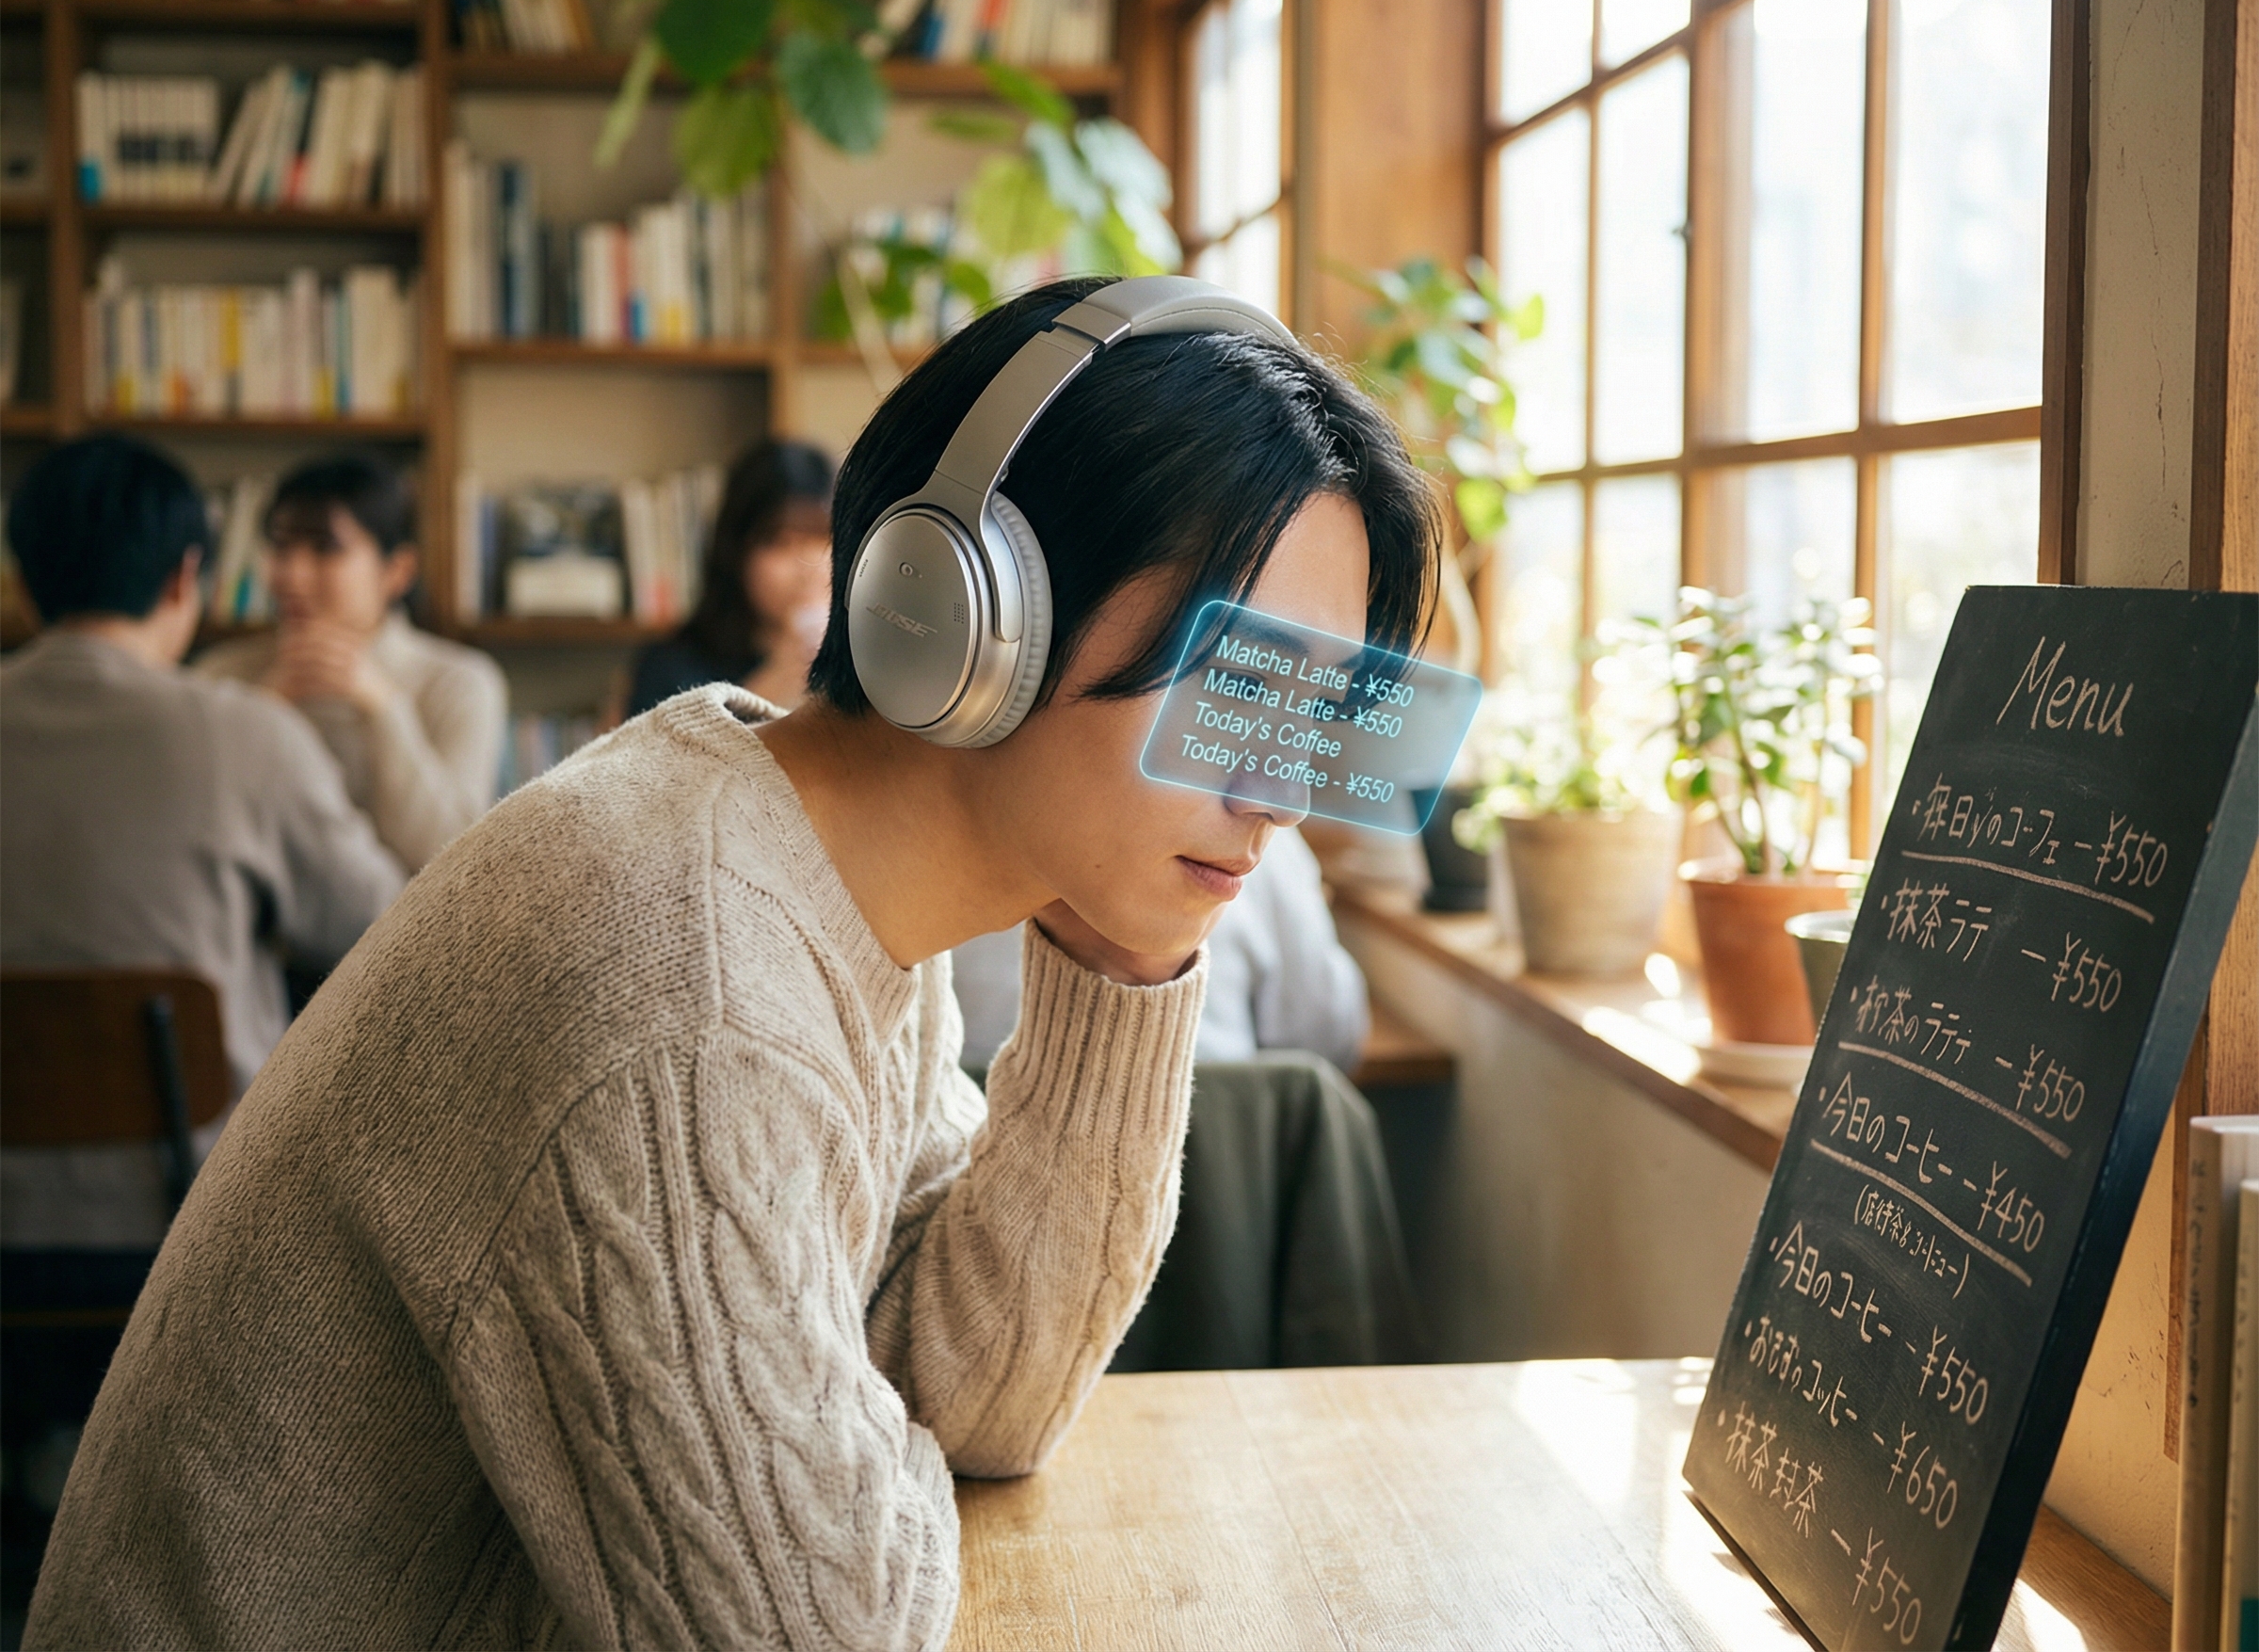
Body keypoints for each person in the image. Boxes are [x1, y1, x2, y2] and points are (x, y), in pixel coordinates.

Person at [25, 277, 1438, 1650]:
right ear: (973, 615)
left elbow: (983, 1401)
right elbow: (825, 1624)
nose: (1280, 793)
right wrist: (864, 1424)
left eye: (1314, 718)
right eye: (1240, 683)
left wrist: (1122, 964)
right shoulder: (681, 980)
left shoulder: (826, 884)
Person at [0, 435, 406, 1249]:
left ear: (21, 576)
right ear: (185, 577)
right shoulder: (248, 735)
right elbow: (387, 932)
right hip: (198, 1233)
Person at [197, 454, 507, 871]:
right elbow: (194, 830)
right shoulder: (222, 673)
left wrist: (384, 709)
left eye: (325, 549)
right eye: (281, 548)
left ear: (397, 571)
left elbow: (451, 860)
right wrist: (264, 710)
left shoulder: (459, 683)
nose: (292, 576)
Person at [953, 823, 1370, 1070]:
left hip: (970, 1122)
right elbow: (1326, 1038)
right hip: (1227, 1160)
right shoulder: (1266, 842)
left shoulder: (966, 830)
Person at [626, 439, 836, 717]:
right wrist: (775, 683)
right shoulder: (673, 667)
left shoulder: (868, 659)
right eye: (780, 543)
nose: (806, 566)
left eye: (823, 539)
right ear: (736, 552)